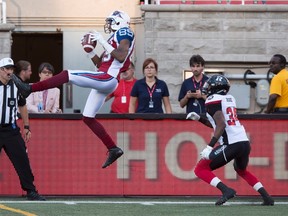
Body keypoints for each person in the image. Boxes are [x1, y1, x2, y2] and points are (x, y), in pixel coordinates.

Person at [12, 10, 135, 169]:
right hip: (105, 77)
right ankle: (113, 148)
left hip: (108, 78)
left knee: (67, 74)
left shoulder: (125, 32)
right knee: (88, 117)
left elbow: (120, 56)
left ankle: (29, 88)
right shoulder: (115, 37)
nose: (109, 24)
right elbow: (101, 64)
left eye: (112, 21)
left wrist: (103, 43)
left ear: (120, 22)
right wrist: (90, 52)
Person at [186, 74, 274, 206]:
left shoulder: (212, 100)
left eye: (210, 85)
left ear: (216, 88)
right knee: (241, 170)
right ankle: (267, 197)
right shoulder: (229, 98)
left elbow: (221, 125)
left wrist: (209, 146)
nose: (207, 87)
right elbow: (217, 123)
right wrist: (199, 118)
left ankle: (226, 190)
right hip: (244, 142)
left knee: (200, 169)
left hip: (231, 144)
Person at [0, 57, 45, 201]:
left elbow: (22, 105)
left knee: (22, 160)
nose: (10, 72)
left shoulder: (16, 86)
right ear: (0, 70)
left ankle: (31, 191)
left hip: (11, 129)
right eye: (7, 69)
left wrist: (26, 126)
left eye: (12, 69)